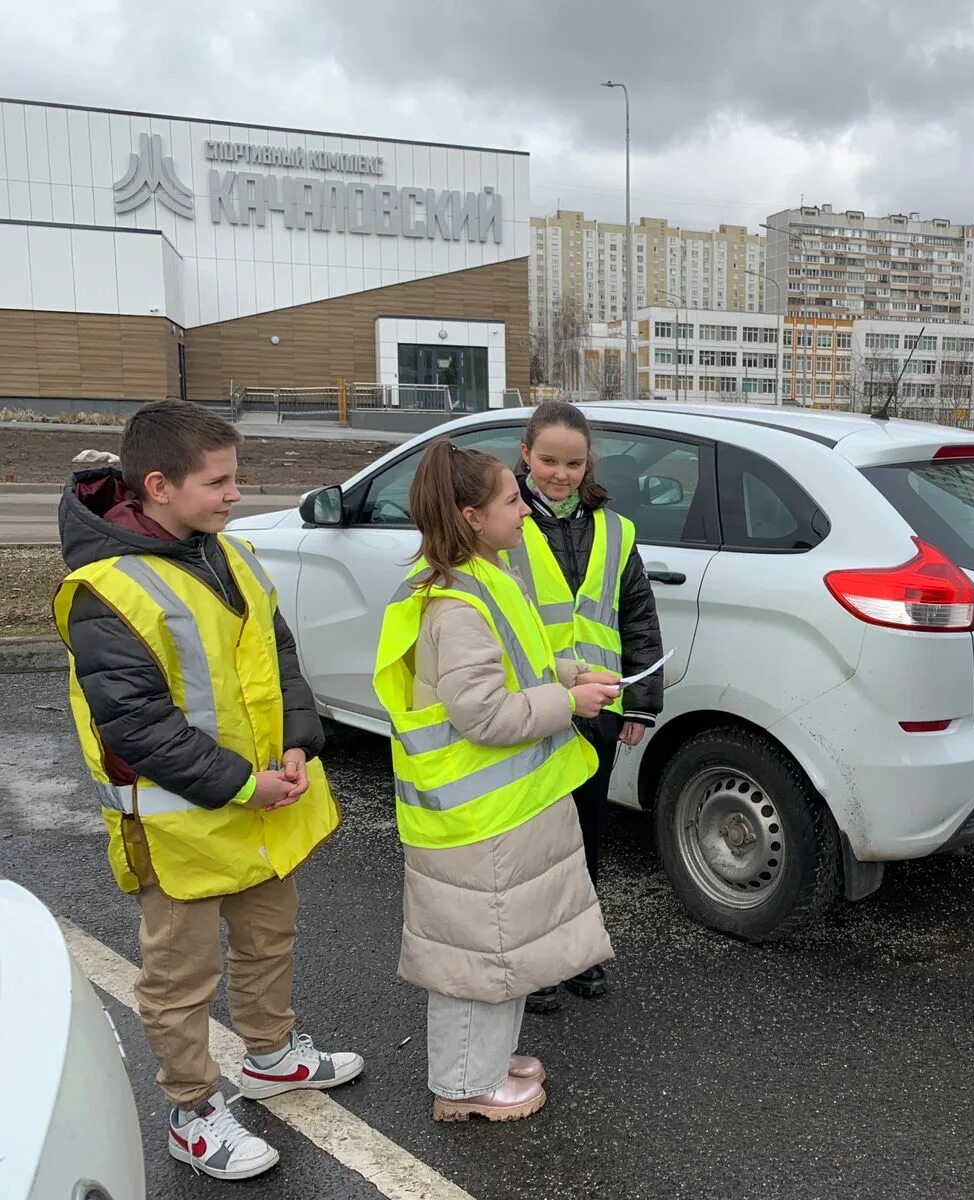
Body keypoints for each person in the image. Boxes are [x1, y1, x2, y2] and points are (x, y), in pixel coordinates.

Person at [54, 399, 361, 1182]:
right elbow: (134, 724)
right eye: (219, 481)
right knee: (179, 979)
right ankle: (192, 1110)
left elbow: (278, 653)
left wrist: (299, 739)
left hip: (261, 808)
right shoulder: (106, 590)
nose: (235, 494)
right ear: (158, 485)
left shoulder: (229, 553)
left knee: (268, 942)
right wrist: (239, 784)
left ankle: (269, 1055)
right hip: (184, 827)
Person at [372, 439, 618, 1122]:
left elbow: (520, 664)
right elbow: (483, 713)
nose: (525, 509)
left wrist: (569, 676)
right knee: (474, 962)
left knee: (499, 951)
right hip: (475, 821)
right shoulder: (457, 604)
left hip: (496, 815)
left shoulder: (486, 577)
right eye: (511, 499)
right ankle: (462, 1087)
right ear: (471, 516)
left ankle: (483, 1061)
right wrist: (569, 704)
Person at [506, 400, 664, 1012]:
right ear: (525, 456)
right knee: (533, 844)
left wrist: (639, 705)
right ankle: (536, 963)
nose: (560, 474)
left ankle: (577, 954)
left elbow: (639, 619)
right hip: (527, 709)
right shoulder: (504, 521)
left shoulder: (615, 530)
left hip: (595, 710)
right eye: (547, 460)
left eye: (573, 462)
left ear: (587, 462)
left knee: (585, 838)